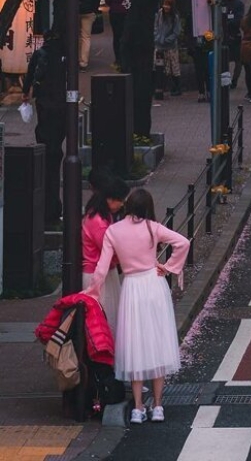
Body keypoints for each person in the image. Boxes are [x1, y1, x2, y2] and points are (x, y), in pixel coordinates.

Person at [89, 188, 190, 424]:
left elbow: (102, 267)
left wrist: (92, 291)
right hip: (154, 286)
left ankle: (137, 408)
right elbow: (182, 242)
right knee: (156, 343)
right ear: (148, 207)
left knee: (135, 344)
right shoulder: (152, 228)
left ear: (127, 206)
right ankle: (157, 406)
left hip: (132, 288)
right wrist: (170, 267)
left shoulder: (113, 231)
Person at [21, 29, 66, 227]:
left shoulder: (41, 54)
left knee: (46, 138)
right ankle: (54, 207)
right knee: (55, 149)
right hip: (61, 103)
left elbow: (31, 73)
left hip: (45, 102)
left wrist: (26, 93)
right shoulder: (64, 55)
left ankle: (49, 208)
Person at [81, 174, 129, 330]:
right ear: (110, 199)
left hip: (105, 273)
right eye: (120, 200)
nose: (122, 204)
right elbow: (110, 250)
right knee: (106, 323)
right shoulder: (99, 222)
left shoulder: (100, 215)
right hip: (99, 276)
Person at [153, 0, 182, 96]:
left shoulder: (175, 17)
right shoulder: (159, 14)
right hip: (159, 45)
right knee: (159, 67)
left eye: (168, 5)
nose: (166, 7)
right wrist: (157, 38)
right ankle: (160, 88)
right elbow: (155, 27)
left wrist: (167, 40)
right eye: (165, 4)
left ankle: (177, 87)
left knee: (173, 67)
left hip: (170, 46)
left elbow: (176, 32)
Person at [79, 0, 101, 70]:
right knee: (85, 37)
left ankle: (74, 59)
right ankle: (83, 62)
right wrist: (95, 9)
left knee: (74, 36)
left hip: (75, 9)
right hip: (89, 10)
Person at [224, 0, 245, 89]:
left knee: (238, 61)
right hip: (225, 36)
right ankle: (226, 80)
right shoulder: (222, 3)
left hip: (235, 35)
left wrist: (228, 22)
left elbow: (238, 19)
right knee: (224, 60)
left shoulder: (239, 4)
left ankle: (235, 80)